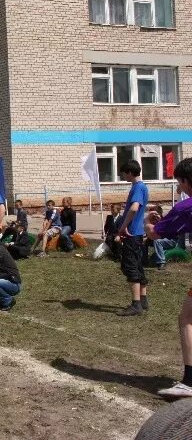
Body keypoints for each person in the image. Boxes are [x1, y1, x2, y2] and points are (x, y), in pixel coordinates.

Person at [147, 158, 192, 397]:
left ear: (185, 181)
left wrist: (147, 220)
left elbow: (154, 235)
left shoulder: (186, 207)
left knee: (187, 319)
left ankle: (190, 381)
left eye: (179, 182)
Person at [116, 159, 150, 317]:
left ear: (129, 172)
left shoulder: (138, 187)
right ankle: (143, 300)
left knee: (130, 266)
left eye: (123, 173)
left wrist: (123, 227)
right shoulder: (142, 187)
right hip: (137, 233)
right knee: (137, 265)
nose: (123, 176)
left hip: (132, 233)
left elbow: (134, 208)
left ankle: (136, 304)